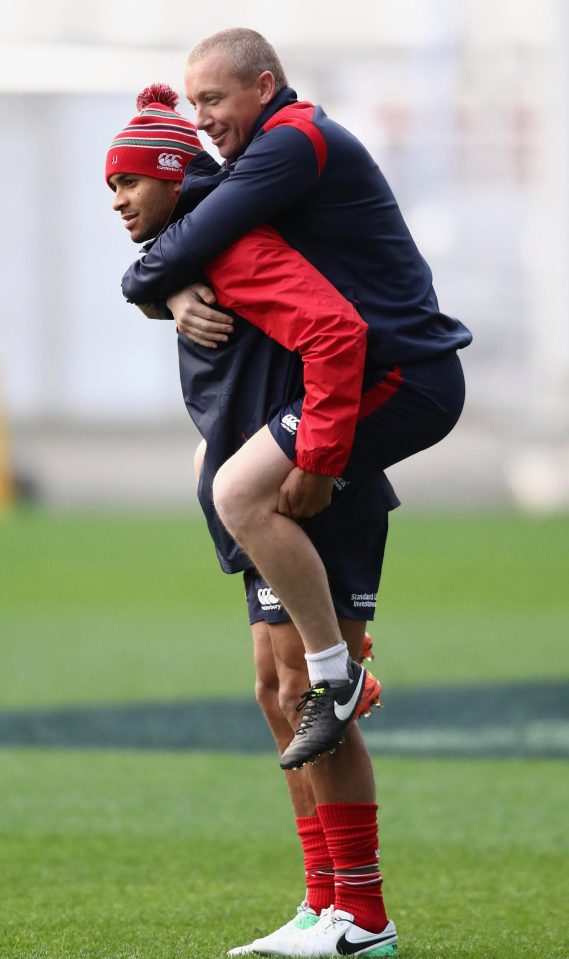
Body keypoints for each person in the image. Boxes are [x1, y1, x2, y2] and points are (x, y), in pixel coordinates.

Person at [119, 30, 472, 956]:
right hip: (306, 446)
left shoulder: (284, 156)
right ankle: (325, 905)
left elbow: (324, 326)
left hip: (341, 439)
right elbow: (194, 244)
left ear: (264, 86)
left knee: (312, 690)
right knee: (277, 694)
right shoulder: (217, 236)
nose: (118, 201)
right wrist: (167, 289)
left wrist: (151, 279)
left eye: (129, 182)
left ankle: (362, 913)